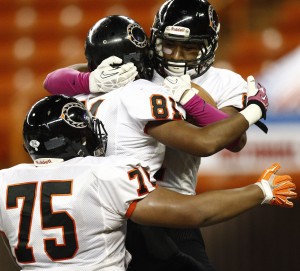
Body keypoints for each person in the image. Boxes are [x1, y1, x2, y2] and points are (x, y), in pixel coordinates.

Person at [42, 14, 269, 271]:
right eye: (168, 45)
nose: (177, 54)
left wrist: (88, 81)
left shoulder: (76, 98)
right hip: (147, 204)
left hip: (90, 214)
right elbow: (209, 142)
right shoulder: (141, 91)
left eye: (188, 47)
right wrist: (255, 110)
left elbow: (53, 80)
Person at [0, 94, 296, 271]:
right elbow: (192, 212)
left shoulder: (4, 181)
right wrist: (260, 191)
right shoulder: (103, 173)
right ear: (77, 138)